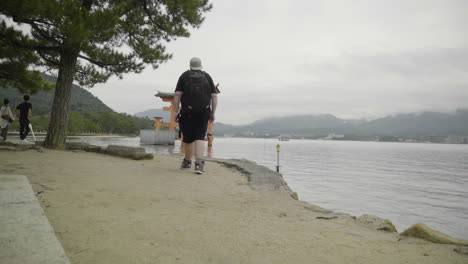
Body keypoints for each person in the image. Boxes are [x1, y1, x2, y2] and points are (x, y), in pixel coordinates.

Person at [173, 57, 218, 174]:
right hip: (203, 112)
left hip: (187, 112)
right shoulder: (207, 76)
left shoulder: (184, 76)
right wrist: (213, 112)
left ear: (190, 65)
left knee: (188, 138)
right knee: (199, 137)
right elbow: (214, 96)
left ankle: (187, 163)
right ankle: (198, 165)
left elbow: (177, 95)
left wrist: (176, 111)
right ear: (200, 66)